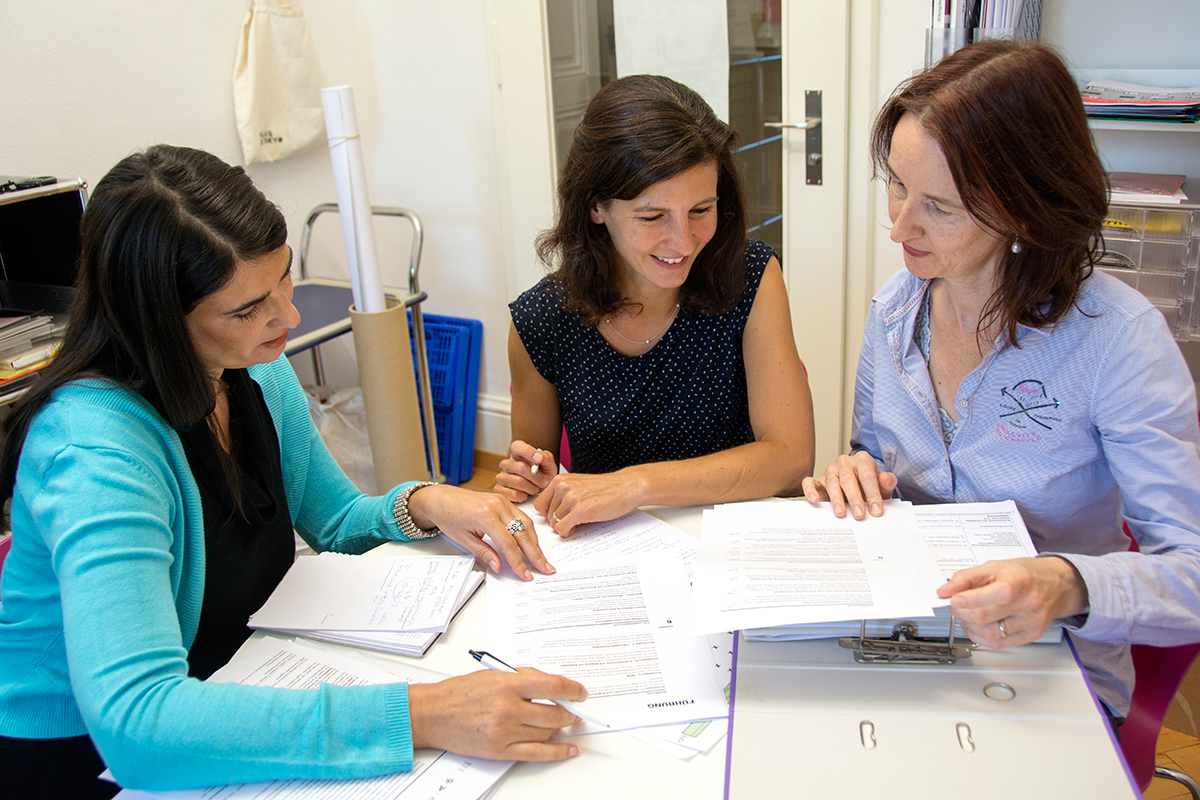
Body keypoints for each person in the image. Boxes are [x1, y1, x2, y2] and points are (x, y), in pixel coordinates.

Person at [0, 145, 587, 798]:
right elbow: (138, 724)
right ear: (157, 322)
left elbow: (333, 520)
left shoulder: (253, 370)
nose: (288, 316)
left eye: (282, 278)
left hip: (234, 677)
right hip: (84, 755)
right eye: (246, 309)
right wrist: (424, 714)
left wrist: (428, 502)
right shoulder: (95, 446)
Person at [801, 39, 1200, 725]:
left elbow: (1192, 571)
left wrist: (1066, 582)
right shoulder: (897, 307)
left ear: (1024, 208)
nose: (898, 224)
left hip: (1045, 664)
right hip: (909, 639)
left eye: (940, 207)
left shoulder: (1118, 341)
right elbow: (874, 450)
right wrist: (856, 472)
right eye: (896, 184)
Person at [494, 74, 815, 535]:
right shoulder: (541, 320)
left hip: (733, 540)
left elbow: (789, 457)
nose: (683, 241)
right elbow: (532, 488)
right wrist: (530, 485)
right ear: (596, 207)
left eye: (701, 210)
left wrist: (634, 485)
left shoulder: (750, 276)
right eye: (652, 216)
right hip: (616, 560)